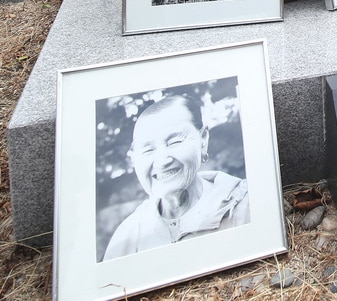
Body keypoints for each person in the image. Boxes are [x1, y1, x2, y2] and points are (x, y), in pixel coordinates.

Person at [102, 94, 250, 260]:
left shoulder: (244, 206)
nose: (162, 161)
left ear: (203, 140)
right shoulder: (128, 236)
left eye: (174, 142)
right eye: (148, 150)